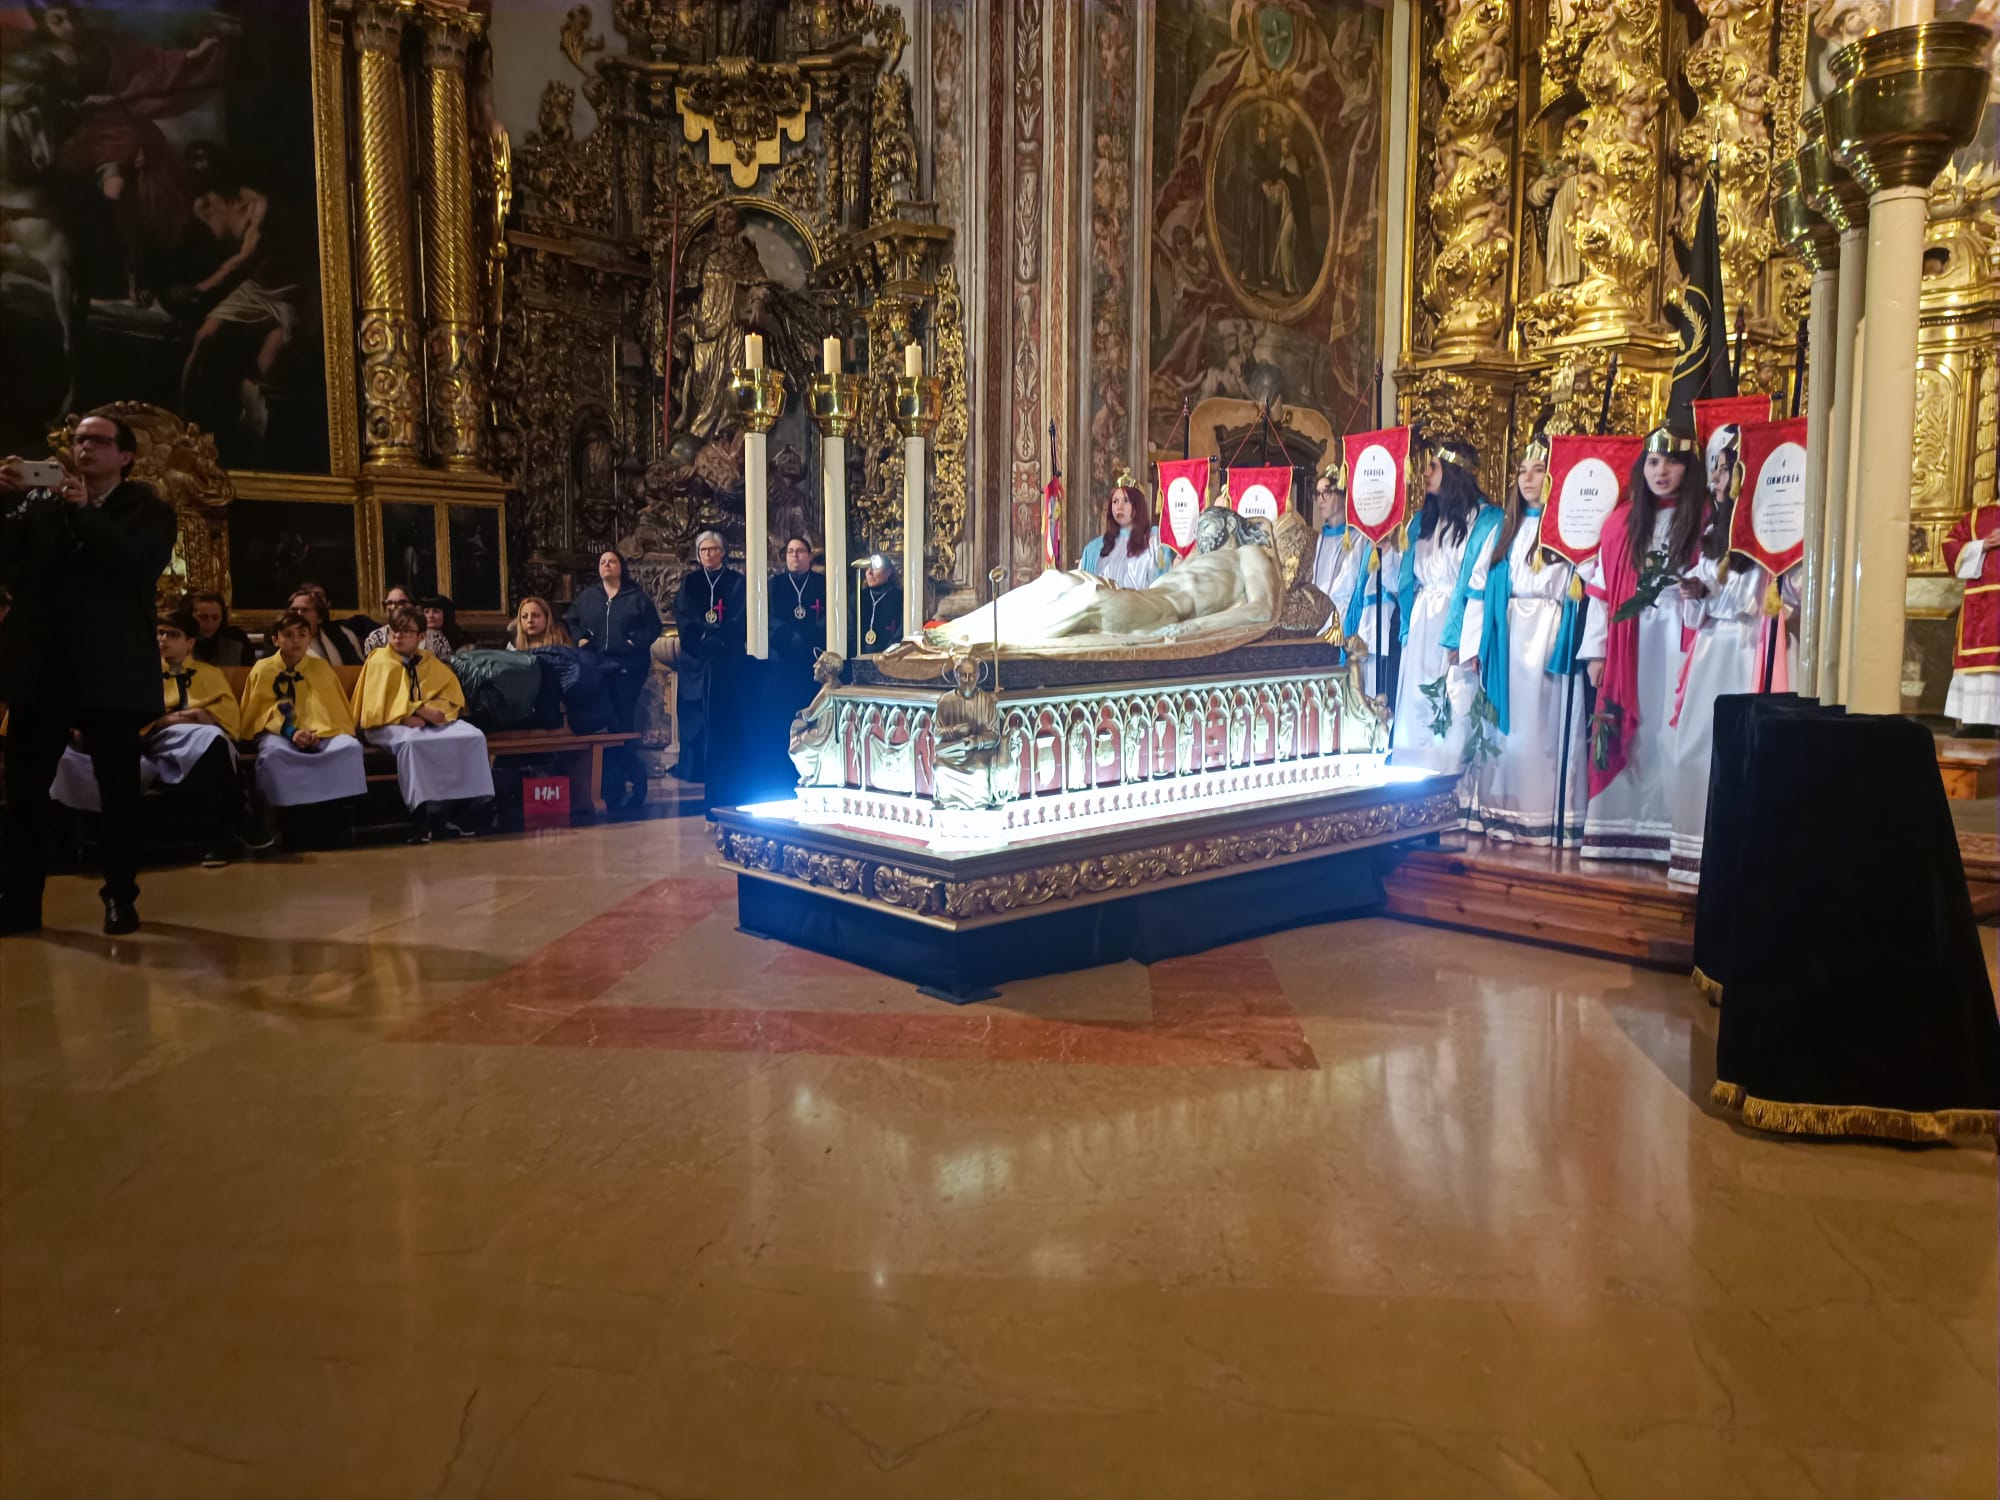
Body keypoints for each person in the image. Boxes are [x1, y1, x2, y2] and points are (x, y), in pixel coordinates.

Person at [1, 414, 177, 935]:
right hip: (44, 668)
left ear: (125, 456)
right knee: (26, 790)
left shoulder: (149, 511)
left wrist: (85, 515)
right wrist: (5, 500)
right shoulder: (42, 505)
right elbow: (10, 561)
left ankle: (120, 896)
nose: (84, 448)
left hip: (111, 671)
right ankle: (21, 901)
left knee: (119, 792)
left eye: (98, 441)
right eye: (78, 440)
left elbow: (134, 566)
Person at [1666, 427, 1797, 886]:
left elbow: (1790, 596)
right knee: (1693, 750)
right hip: (1709, 653)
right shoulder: (1709, 531)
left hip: (1747, 651)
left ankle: (1737, 860)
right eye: (1715, 468)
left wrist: (1785, 568)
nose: (1718, 478)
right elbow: (1693, 613)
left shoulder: (1769, 535)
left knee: (1740, 754)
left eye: (1727, 467)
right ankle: (1692, 853)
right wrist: (1695, 593)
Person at [1577, 425, 1708, 864]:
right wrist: (1596, 652)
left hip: (1682, 636)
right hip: (1630, 641)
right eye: (1653, 462)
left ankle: (1674, 831)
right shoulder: (1621, 522)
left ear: (1687, 468)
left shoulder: (1704, 518)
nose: (1661, 470)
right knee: (1632, 732)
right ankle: (1623, 827)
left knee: (1673, 732)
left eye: (1671, 462)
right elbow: (1599, 593)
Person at [50, 611, 253, 868]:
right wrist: (171, 719)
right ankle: (237, 818)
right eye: (160, 633)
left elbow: (224, 717)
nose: (163, 639)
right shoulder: (142, 671)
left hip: (188, 737)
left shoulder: (209, 673)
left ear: (191, 642)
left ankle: (220, 834)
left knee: (212, 742)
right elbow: (136, 718)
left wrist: (195, 716)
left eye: (173, 635)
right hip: (147, 737)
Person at [1469, 436, 1589, 845]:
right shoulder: (1506, 528)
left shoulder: (1569, 529)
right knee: (1509, 729)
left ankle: (1544, 813)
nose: (1528, 478)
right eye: (1522, 470)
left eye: (1538, 469)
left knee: (1544, 725)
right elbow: (1480, 584)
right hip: (1509, 632)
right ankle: (1504, 807)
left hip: (1549, 630)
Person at [1390, 437, 1505, 780]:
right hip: (1423, 620)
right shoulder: (1421, 522)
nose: (1425, 473)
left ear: (1455, 472)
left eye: (1434, 467)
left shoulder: (1486, 521)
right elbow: (1403, 578)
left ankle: (1449, 788)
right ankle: (1411, 789)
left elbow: (1478, 584)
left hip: (1455, 625)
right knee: (1416, 702)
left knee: (1453, 704)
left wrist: (1464, 639)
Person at [352, 605, 494, 842]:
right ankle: (424, 817)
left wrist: (434, 712)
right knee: (412, 743)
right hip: (385, 726)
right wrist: (409, 711)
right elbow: (373, 706)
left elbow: (450, 697)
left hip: (426, 723)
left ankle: (471, 811)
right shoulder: (379, 660)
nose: (397, 636)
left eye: (405, 631)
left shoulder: (428, 661)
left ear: (421, 637)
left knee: (473, 736)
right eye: (394, 631)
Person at [239, 610, 367, 819]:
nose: (296, 640)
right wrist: (291, 731)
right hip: (278, 734)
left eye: (301, 634)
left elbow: (332, 709)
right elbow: (258, 713)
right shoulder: (263, 669)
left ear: (309, 637)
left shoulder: (321, 667)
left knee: (348, 747)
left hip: (321, 733)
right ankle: (288, 818)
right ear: (275, 639)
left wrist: (320, 731)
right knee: (274, 755)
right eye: (288, 635)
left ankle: (334, 815)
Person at [568, 549, 662, 803]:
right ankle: (614, 782)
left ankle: (635, 780)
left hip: (627, 668)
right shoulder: (588, 596)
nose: (607, 565)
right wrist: (580, 639)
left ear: (621, 566)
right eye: (602, 562)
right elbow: (571, 620)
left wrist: (633, 643)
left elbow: (654, 627)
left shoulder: (636, 597)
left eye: (611, 561)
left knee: (621, 723)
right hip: (597, 665)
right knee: (608, 725)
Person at [1310, 461, 1399, 695]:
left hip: (1349, 627)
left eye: (1327, 492)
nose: (1321, 500)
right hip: (1319, 630)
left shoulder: (1360, 540)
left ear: (1342, 494)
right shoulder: (1316, 540)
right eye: (1317, 494)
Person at [670, 532, 747, 783]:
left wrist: (720, 637)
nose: (708, 554)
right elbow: (683, 616)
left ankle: (724, 766)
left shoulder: (737, 581)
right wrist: (701, 637)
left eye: (713, 549)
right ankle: (693, 769)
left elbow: (741, 615)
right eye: (703, 550)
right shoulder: (690, 582)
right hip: (696, 658)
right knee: (693, 714)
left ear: (723, 552)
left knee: (724, 712)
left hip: (726, 657)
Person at [1942, 497, 1998, 728]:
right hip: (1984, 606)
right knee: (1984, 666)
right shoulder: (1979, 515)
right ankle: (1980, 723)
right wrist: (1981, 546)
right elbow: (1950, 545)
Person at [1078, 472, 1173, 589]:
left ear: (1138, 505)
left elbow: (1165, 584)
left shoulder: (1154, 542)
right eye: (1115, 501)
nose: (1119, 507)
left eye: (1126, 500)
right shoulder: (1095, 548)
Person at [767, 535, 826, 706]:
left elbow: (831, 613)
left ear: (809, 556)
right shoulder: (774, 584)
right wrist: (789, 633)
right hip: (783, 653)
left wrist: (808, 633)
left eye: (800, 551)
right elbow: (767, 617)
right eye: (790, 551)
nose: (795, 555)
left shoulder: (822, 583)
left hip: (813, 652)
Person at [286, 583, 365, 665]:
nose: (298, 614)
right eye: (294, 610)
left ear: (319, 618)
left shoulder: (342, 636)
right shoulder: (278, 640)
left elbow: (356, 671)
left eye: (305, 610)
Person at [362, 586, 451, 657]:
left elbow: (445, 672)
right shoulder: (375, 638)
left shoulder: (436, 639)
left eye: (401, 603)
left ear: (413, 606)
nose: (393, 607)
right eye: (389, 603)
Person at [186, 589, 254, 667]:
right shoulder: (179, 641)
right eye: (203, 617)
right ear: (189, 617)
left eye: (215, 617)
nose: (210, 623)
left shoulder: (237, 640)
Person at [852, 556, 903, 655]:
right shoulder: (857, 599)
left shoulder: (900, 598)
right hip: (861, 658)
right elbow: (851, 634)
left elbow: (901, 632)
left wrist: (886, 655)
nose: (869, 573)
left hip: (890, 658)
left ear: (888, 572)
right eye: (867, 568)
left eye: (875, 568)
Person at [507, 595, 571, 651]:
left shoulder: (561, 643)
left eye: (535, 616)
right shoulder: (513, 646)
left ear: (547, 618)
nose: (530, 620)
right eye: (524, 617)